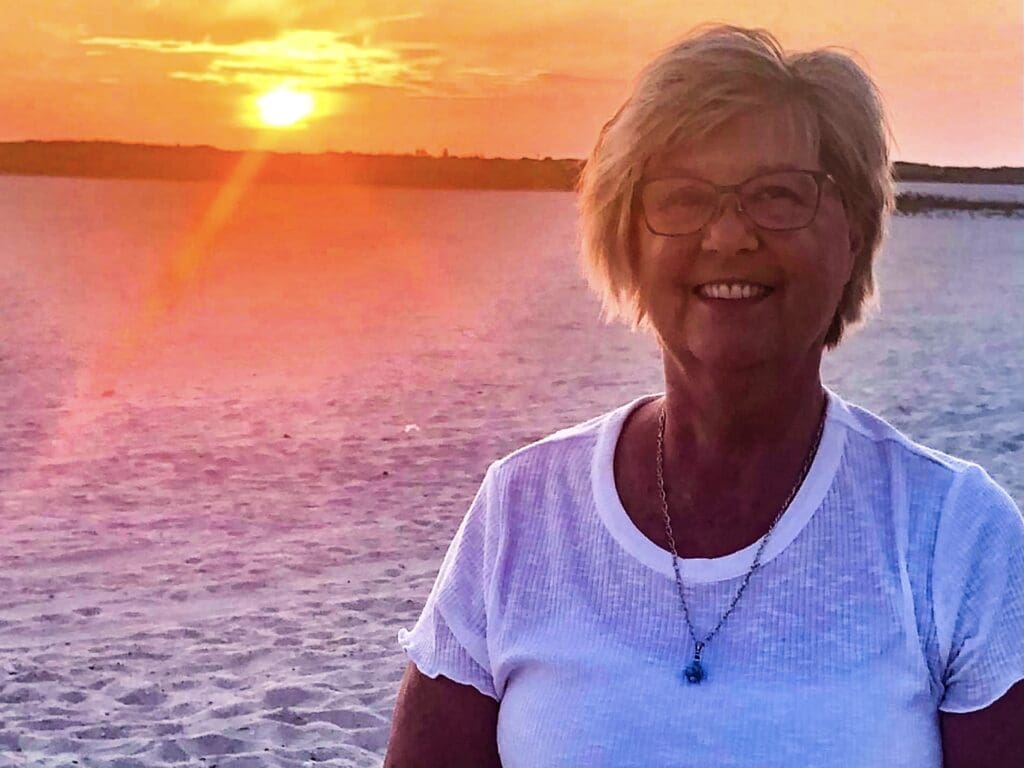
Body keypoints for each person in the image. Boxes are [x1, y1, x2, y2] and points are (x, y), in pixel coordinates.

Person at [384, 25, 1024, 767]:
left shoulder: (952, 535)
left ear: (853, 233)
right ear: (629, 240)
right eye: (684, 198)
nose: (727, 236)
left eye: (779, 195)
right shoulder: (523, 511)